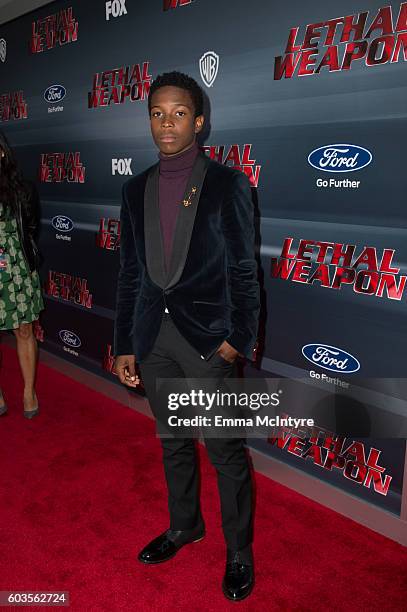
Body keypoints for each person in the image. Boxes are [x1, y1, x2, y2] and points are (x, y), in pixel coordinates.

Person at [114, 72, 260, 601]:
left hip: (207, 343)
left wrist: (236, 339)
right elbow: (130, 273)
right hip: (154, 340)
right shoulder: (134, 190)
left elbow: (245, 271)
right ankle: (184, 526)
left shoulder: (227, 185)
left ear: (198, 122)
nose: (166, 123)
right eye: (157, 113)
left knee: (224, 451)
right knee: (173, 443)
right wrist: (125, 342)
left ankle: (238, 551)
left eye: (178, 113)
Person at [0, 130, 44, 419]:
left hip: (16, 268)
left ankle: (29, 390)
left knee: (24, 329)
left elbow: (31, 229)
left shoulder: (22, 189)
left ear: (2, 152)